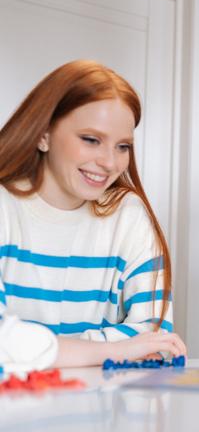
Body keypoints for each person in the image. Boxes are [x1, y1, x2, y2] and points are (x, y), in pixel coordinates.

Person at [0, 60, 186, 368]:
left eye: (123, 146)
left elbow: (157, 338)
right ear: (43, 134)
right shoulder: (5, 206)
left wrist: (34, 349)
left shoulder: (129, 214)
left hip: (99, 411)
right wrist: (112, 349)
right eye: (91, 140)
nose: (110, 163)